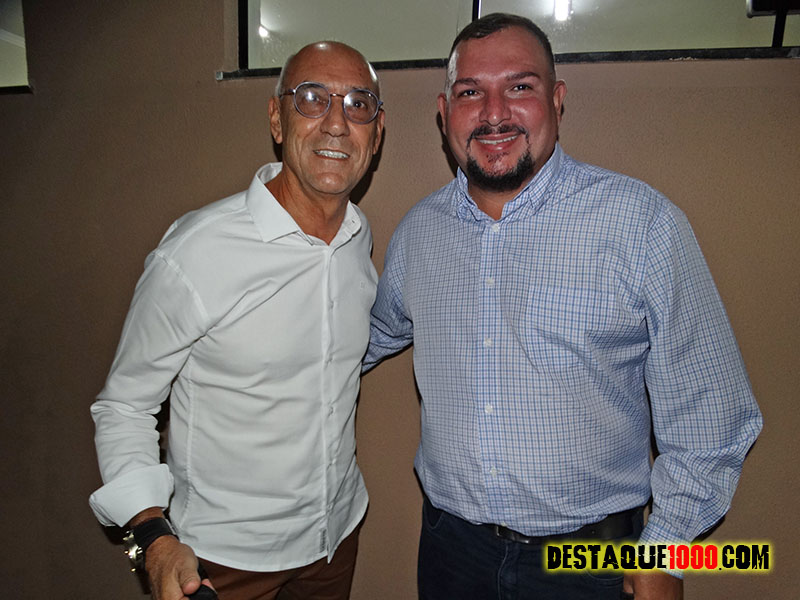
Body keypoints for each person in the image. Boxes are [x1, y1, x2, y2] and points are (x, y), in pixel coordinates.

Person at [365, 13, 761, 600]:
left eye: (519, 87)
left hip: (593, 565)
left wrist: (667, 552)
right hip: (451, 553)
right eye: (471, 92)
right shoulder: (418, 234)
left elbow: (714, 415)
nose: (494, 112)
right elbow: (363, 339)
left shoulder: (642, 225)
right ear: (444, 112)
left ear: (556, 99)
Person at [89, 40, 384, 600]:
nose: (336, 123)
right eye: (312, 98)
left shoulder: (356, 235)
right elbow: (123, 406)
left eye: (358, 104)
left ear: (377, 131)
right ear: (276, 118)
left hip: (335, 539)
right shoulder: (196, 252)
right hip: (223, 561)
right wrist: (151, 539)